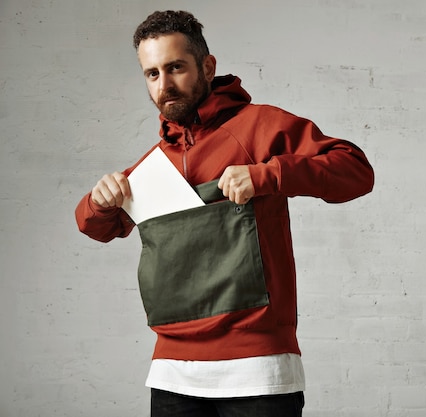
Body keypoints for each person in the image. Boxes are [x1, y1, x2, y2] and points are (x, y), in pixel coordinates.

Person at [75, 10, 374, 417]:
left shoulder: (259, 128)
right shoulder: (155, 164)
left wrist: (269, 175)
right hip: (171, 376)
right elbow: (95, 225)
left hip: (259, 371)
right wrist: (99, 199)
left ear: (207, 66)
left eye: (176, 67)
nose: (165, 85)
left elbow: (355, 171)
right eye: (152, 74)